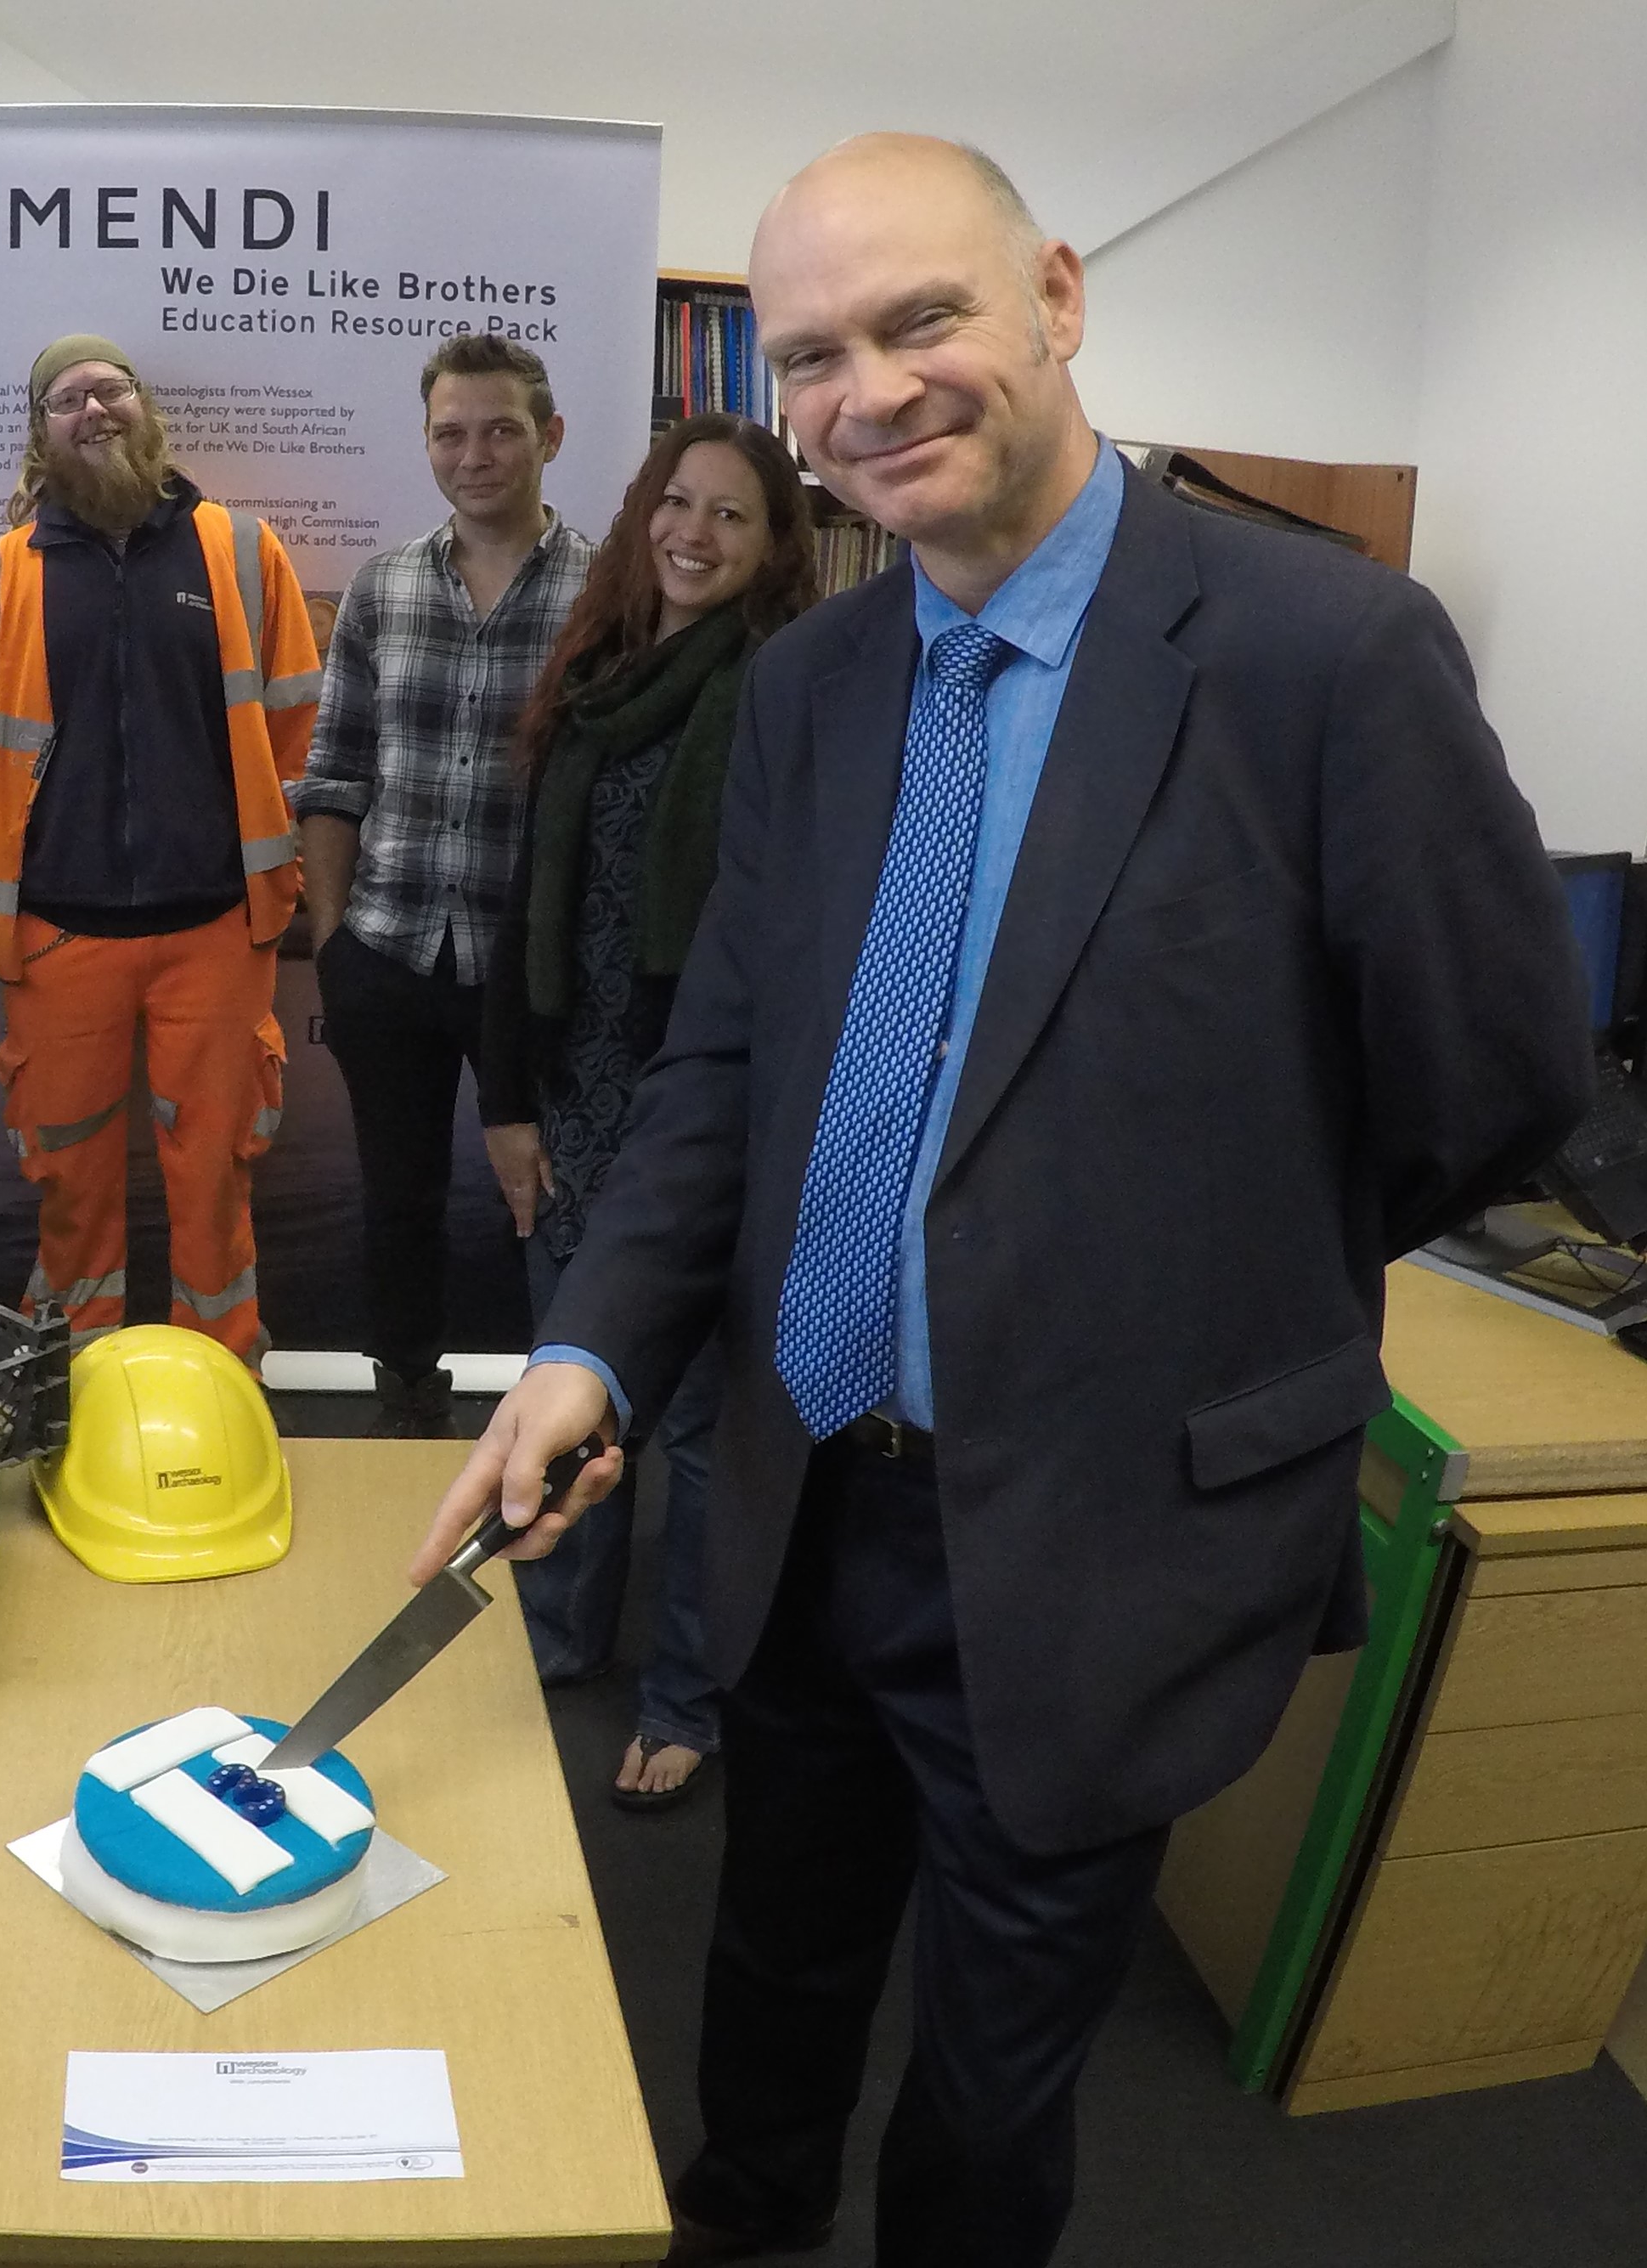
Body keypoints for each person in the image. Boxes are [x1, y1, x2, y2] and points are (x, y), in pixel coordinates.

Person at [414, 136, 1592, 2266]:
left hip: (1095, 1527)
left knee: (991, 2076)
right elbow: (722, 1076)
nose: (866, 391)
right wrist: (585, 1348)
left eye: (919, 319)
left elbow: (1486, 1085)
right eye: (810, 356)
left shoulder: (1322, 652)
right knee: (768, 1969)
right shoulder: (810, 688)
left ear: (1052, 297)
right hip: (801, 1493)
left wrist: (1196, 1260)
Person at [479, 415, 817, 1808]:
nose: (694, 533)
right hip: (571, 1101)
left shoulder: (789, 691)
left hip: (712, 1121)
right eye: (678, 502)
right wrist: (508, 1104)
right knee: (570, 1397)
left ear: (773, 547)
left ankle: (685, 1694)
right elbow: (520, 904)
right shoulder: (593, 673)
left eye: (732, 514)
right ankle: (556, 1642)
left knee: (697, 1437)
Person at [0, 333, 320, 1362]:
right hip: (58, 937)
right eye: (66, 399)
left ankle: (221, 1374)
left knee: (216, 1177)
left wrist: (283, 883)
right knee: (67, 1186)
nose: (92, 410)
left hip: (216, 930)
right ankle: (72, 1384)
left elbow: (299, 733)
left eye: (109, 389)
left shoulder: (242, 551)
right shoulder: (1, 577)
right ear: (41, 434)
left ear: (146, 410)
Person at [296, 334, 595, 1435]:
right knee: (399, 1202)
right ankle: (406, 1406)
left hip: (538, 971)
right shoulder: (382, 588)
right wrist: (334, 942)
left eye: (501, 430)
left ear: (548, 437)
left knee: (553, 1197)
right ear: (425, 443)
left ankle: (560, 1419)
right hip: (390, 950)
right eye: (450, 434)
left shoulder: (604, 595)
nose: (475, 456)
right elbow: (334, 774)